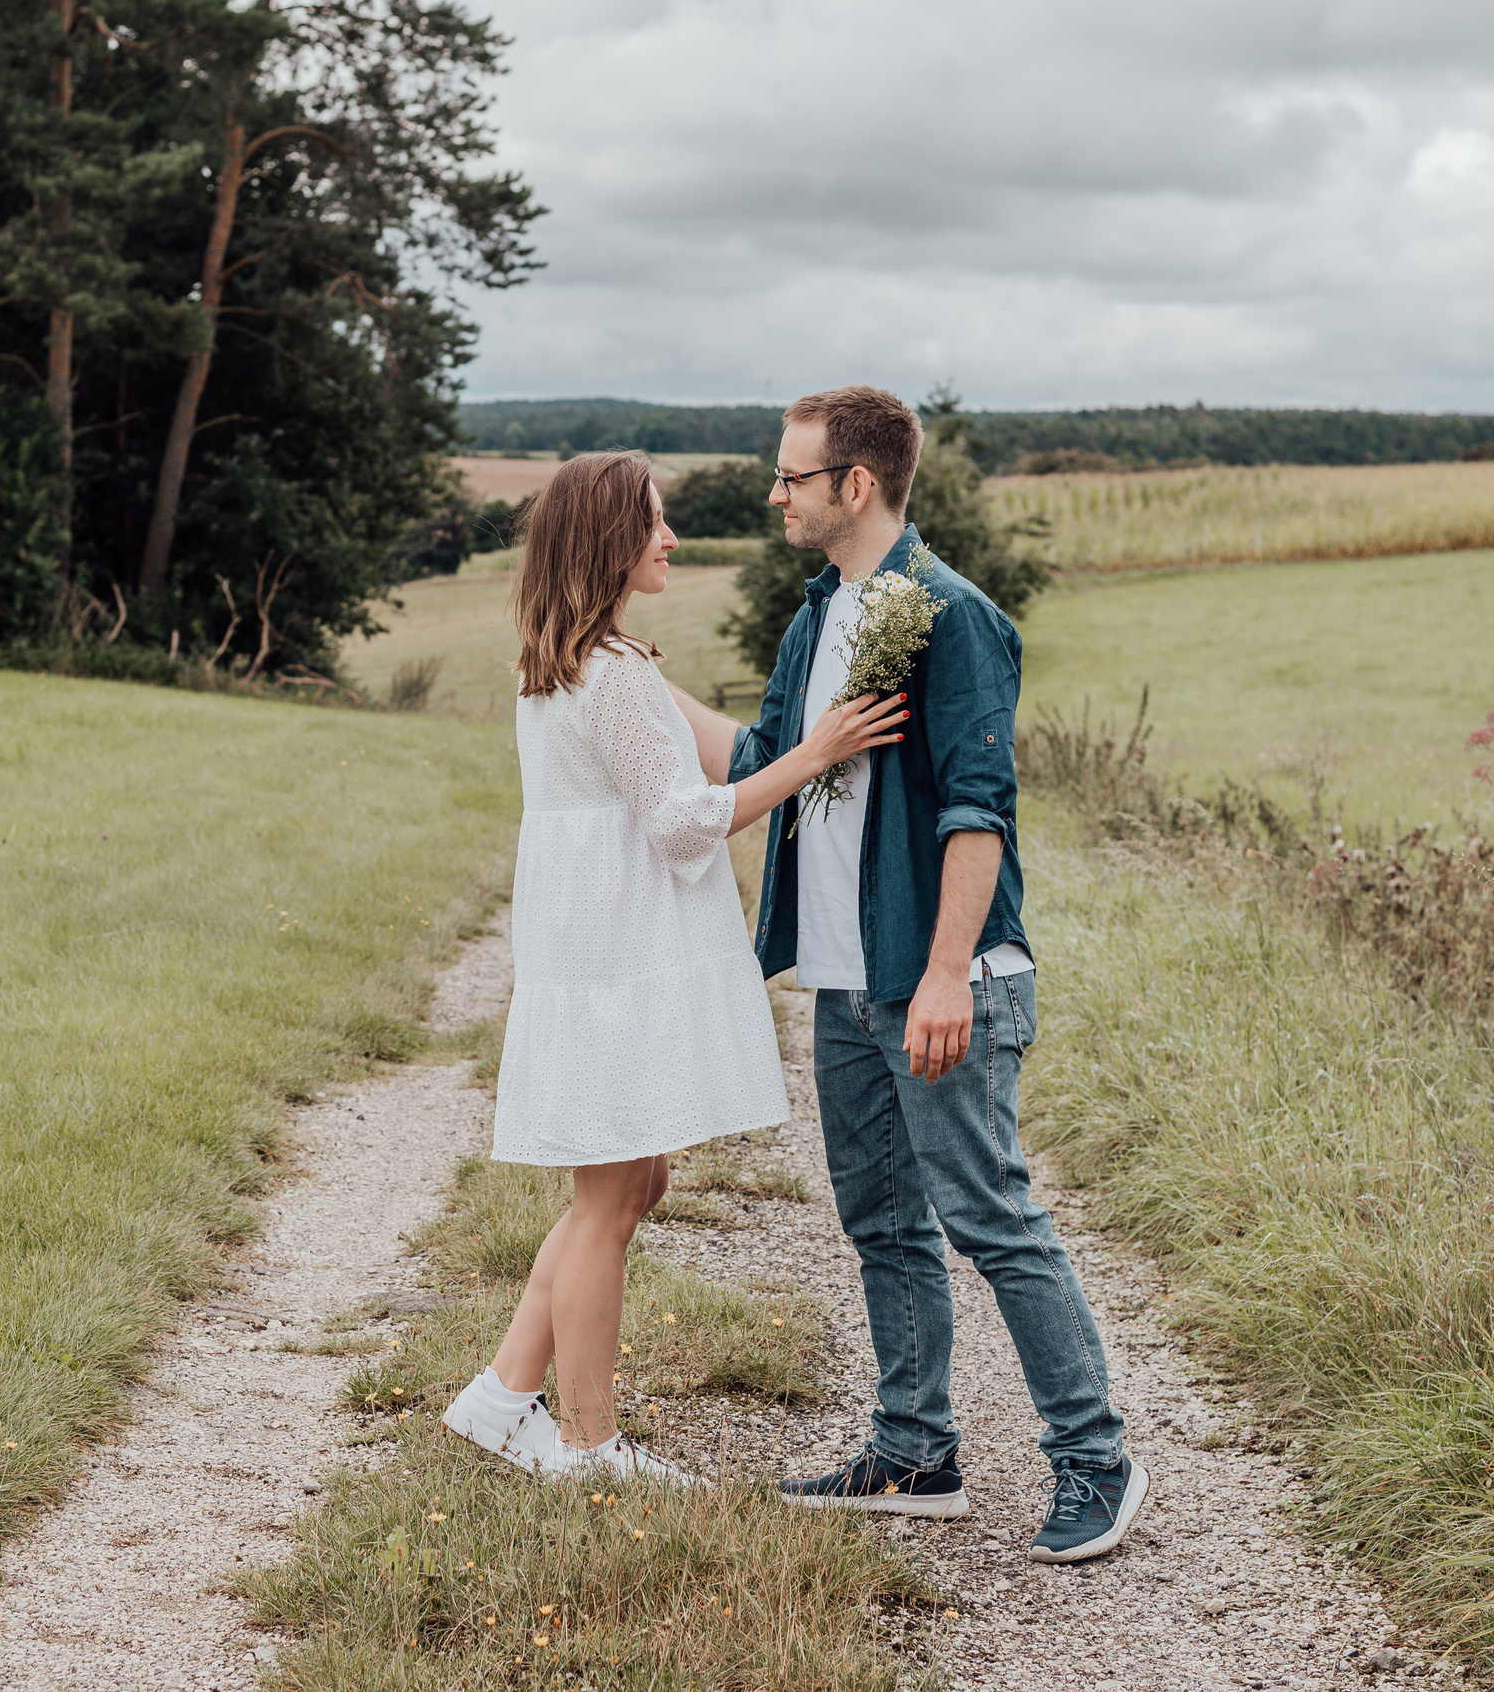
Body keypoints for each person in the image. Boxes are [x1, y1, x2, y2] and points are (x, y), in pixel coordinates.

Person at [664, 386, 1148, 1563]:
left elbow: (978, 813)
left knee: (991, 1217)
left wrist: (944, 975)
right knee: (881, 1218)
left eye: (791, 476)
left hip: (942, 978)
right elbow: (770, 758)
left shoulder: (950, 615)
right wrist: (619, 673)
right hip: (843, 978)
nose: (774, 493)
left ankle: (1097, 1459)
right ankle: (913, 1450)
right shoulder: (816, 617)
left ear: (856, 484)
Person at [439, 450, 906, 1483]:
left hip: (602, 951)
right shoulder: (604, 672)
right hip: (615, 960)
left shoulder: (591, 660)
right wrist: (815, 755)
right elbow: (682, 817)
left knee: (634, 1177)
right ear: (611, 536)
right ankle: (588, 1444)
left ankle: (501, 1392)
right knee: (610, 1197)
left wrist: (812, 730)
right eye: (654, 520)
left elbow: (725, 747)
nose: (671, 536)